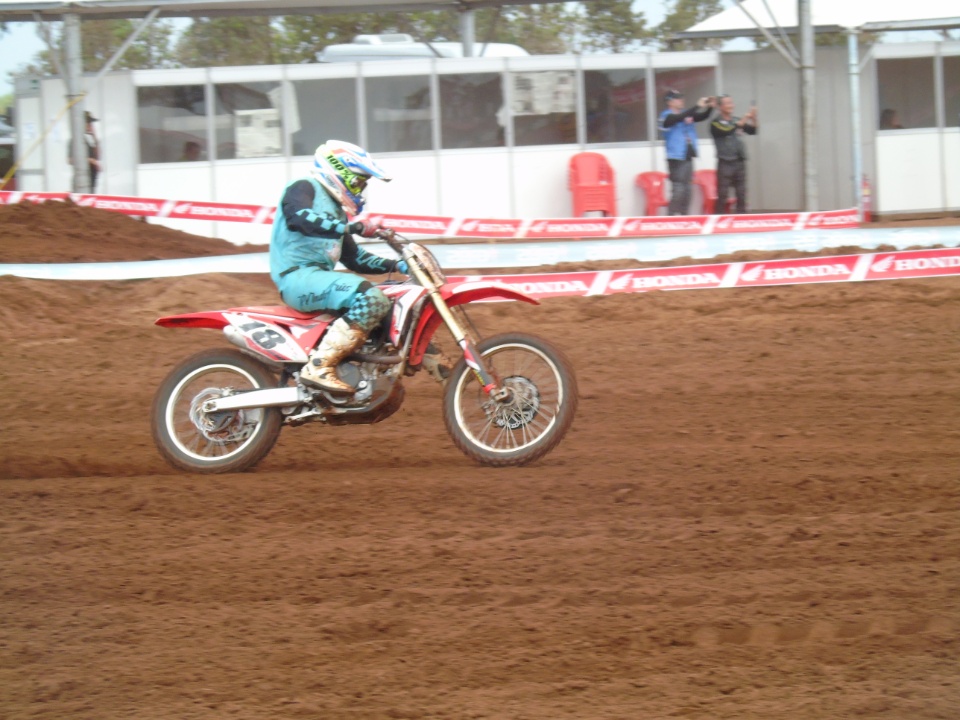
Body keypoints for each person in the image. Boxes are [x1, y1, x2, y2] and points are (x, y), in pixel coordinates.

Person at [269, 140, 411, 394]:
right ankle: (319, 366)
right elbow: (298, 219)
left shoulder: (337, 212)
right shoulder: (304, 187)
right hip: (296, 277)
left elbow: (354, 258)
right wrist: (349, 228)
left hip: (318, 278)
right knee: (371, 298)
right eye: (358, 182)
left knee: (391, 299)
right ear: (339, 173)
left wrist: (398, 264)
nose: (360, 189)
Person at [658, 89, 714, 216]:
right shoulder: (665, 115)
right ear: (669, 102)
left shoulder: (686, 114)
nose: (681, 100)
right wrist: (697, 106)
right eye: (677, 98)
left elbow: (702, 116)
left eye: (681, 97)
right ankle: (671, 217)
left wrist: (710, 107)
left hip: (688, 156)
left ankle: (685, 216)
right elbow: (677, 118)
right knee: (678, 189)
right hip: (676, 157)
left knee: (688, 189)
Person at [710, 95, 758, 215]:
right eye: (727, 103)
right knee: (722, 194)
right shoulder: (715, 123)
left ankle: (741, 219)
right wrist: (745, 117)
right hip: (725, 162)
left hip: (739, 161)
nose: (731, 105)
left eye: (731, 103)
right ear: (720, 107)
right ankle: (718, 220)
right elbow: (728, 130)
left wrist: (753, 117)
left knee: (741, 193)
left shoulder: (736, 120)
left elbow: (753, 131)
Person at [68, 111, 101, 191]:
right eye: (88, 123)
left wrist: (94, 137)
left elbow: (98, 156)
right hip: (82, 183)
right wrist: (90, 160)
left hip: (92, 182)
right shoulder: (75, 141)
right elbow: (70, 160)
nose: (90, 126)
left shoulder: (88, 140)